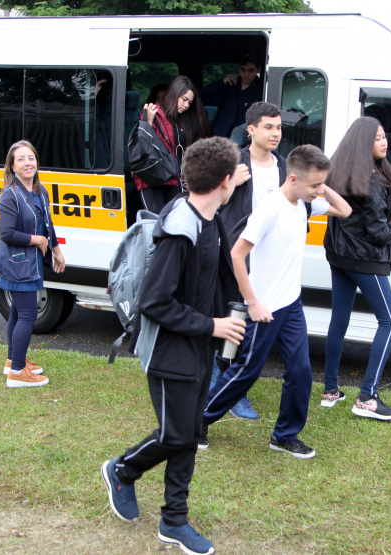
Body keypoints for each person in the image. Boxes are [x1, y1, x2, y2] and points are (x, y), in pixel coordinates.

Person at [100, 137, 245, 555]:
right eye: (235, 173)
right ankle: (123, 470)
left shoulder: (210, 217)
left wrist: (236, 312)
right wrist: (212, 325)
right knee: (175, 433)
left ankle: (173, 521)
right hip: (169, 349)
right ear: (224, 180)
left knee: (189, 433)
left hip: (198, 343)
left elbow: (215, 277)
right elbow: (153, 302)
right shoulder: (179, 230)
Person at [200, 145, 352, 459]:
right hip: (264, 308)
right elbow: (237, 254)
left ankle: (284, 436)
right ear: (293, 178)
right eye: (313, 186)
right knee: (246, 372)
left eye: (319, 186)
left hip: (291, 305)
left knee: (301, 373)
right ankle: (196, 423)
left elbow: (345, 210)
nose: (317, 192)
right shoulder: (271, 208)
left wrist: (320, 185)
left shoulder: (304, 203)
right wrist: (253, 303)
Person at [321, 117, 391, 420]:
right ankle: (368, 397)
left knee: (339, 320)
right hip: (366, 259)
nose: (385, 143)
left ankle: (330, 390)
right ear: (364, 144)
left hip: (339, 255)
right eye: (378, 138)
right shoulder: (370, 182)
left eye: (385, 137)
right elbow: (379, 233)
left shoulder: (342, 172)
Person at [209, 101, 286, 420]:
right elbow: (204, 197)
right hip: (237, 256)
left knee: (251, 327)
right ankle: (225, 386)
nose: (275, 133)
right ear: (251, 129)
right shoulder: (234, 161)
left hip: (270, 259)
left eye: (279, 127)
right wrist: (230, 183)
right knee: (236, 321)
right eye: (268, 127)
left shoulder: (283, 165)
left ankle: (227, 384)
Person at [0, 140, 65, 388]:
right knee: (27, 314)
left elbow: (48, 224)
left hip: (29, 264)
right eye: (21, 159)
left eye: (31, 158)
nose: (27, 163)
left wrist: (56, 251)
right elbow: (7, 234)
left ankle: (13, 360)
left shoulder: (39, 191)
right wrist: (38, 240)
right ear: (12, 166)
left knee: (17, 312)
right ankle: (18, 373)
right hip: (16, 265)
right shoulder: (9, 195)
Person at [135, 75, 212, 213]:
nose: (186, 105)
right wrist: (148, 123)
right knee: (155, 222)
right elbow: (141, 146)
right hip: (152, 177)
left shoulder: (183, 119)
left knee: (175, 219)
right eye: (184, 100)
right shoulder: (154, 112)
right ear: (175, 94)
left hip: (173, 177)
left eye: (189, 102)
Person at [201, 51, 264, 138]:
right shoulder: (230, 86)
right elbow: (201, 98)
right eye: (243, 69)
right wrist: (221, 83)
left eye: (250, 71)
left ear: (258, 69)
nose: (246, 74)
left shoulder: (262, 90)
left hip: (242, 142)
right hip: (220, 139)